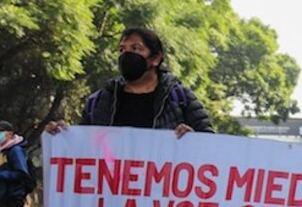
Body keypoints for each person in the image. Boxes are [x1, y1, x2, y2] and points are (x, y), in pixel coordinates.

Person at [45, 27, 213, 136]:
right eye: (122, 49)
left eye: (135, 48)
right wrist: (62, 135)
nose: (126, 54)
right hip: (111, 189)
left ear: (155, 59)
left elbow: (211, 146)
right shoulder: (101, 101)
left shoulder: (180, 98)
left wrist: (193, 140)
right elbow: (84, 146)